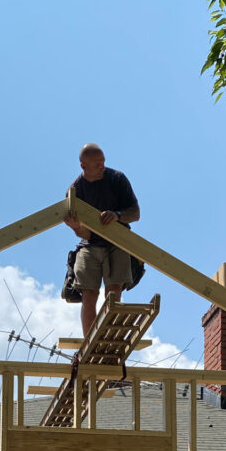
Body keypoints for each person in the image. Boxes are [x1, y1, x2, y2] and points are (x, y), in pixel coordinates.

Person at [64, 143, 140, 336]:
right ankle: (90, 340)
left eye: (103, 161)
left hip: (118, 241)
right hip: (90, 245)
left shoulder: (117, 179)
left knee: (114, 293)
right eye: (97, 163)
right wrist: (75, 227)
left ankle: (109, 336)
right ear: (83, 166)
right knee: (89, 294)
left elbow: (135, 213)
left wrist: (117, 215)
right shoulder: (75, 192)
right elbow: (85, 234)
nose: (102, 166)